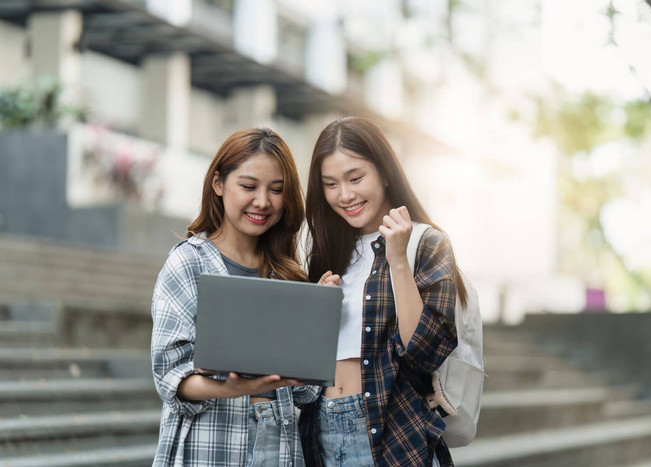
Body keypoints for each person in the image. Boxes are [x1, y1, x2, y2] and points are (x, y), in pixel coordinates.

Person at [151, 128, 338, 466]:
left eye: (276, 189)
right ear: (219, 184)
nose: (263, 201)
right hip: (210, 444)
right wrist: (230, 389)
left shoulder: (288, 274)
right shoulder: (188, 263)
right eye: (249, 186)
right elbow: (169, 374)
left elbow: (305, 391)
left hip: (279, 444)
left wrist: (317, 321)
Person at [300, 116, 467, 466]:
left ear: (385, 173)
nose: (345, 195)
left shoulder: (426, 243)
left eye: (355, 178)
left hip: (392, 434)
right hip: (321, 431)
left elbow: (423, 353)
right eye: (330, 184)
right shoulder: (326, 252)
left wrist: (398, 263)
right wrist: (315, 310)